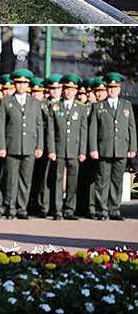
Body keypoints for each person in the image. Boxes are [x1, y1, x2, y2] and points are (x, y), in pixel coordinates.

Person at [0, 68, 44, 218]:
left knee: (25, 180)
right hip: (12, 146)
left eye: (24, 83)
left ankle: (22, 208)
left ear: (28, 84)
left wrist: (39, 146)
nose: (21, 86)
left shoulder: (35, 103)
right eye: (18, 83)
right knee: (10, 179)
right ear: (14, 84)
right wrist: (1, 146)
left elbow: (39, 125)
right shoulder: (6, 101)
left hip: (29, 146)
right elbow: (1, 125)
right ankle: (10, 207)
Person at [88, 72, 137, 220]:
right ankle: (102, 210)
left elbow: (131, 128)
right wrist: (93, 148)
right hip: (104, 148)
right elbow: (93, 129)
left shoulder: (126, 106)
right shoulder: (98, 106)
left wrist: (132, 148)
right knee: (102, 180)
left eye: (115, 88)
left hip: (121, 149)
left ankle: (114, 209)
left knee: (117, 181)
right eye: (110, 87)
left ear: (120, 89)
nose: (112, 90)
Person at [46, 72, 87, 220]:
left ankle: (69, 209)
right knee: (57, 180)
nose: (69, 92)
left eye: (72, 89)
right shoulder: (55, 107)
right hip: (59, 149)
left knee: (72, 180)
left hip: (75, 149)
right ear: (63, 90)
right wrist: (51, 149)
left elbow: (84, 131)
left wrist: (82, 151)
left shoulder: (81, 108)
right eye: (67, 89)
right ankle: (57, 209)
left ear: (76, 91)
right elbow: (50, 130)